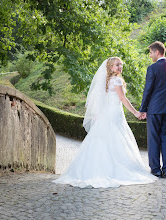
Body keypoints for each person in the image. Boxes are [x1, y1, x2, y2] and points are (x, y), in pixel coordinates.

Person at [53, 57, 157, 188]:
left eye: (121, 64)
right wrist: (136, 112)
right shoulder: (117, 80)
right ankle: (113, 170)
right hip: (114, 114)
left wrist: (98, 114)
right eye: (117, 65)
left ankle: (93, 170)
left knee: (103, 139)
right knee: (117, 138)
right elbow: (123, 99)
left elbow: (102, 100)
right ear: (110, 68)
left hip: (106, 114)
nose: (120, 67)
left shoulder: (105, 81)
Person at [139, 41, 166, 179]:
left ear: (157, 52)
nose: (150, 56)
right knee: (165, 137)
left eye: (150, 53)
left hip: (155, 109)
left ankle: (156, 170)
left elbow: (148, 90)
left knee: (154, 138)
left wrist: (142, 109)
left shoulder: (153, 68)